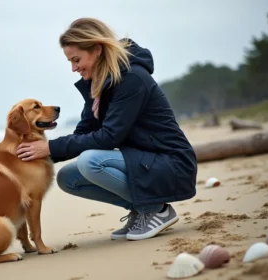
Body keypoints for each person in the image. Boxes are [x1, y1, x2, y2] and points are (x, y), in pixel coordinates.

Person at [16, 18, 197, 241]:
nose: (73, 68)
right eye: (70, 62)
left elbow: (109, 137)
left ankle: (155, 210)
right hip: (144, 161)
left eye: (76, 60)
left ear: (97, 49)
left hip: (171, 163)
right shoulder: (99, 85)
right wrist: (38, 158)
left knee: (91, 162)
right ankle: (141, 210)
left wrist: (50, 146)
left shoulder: (132, 79)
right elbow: (83, 133)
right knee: (67, 178)